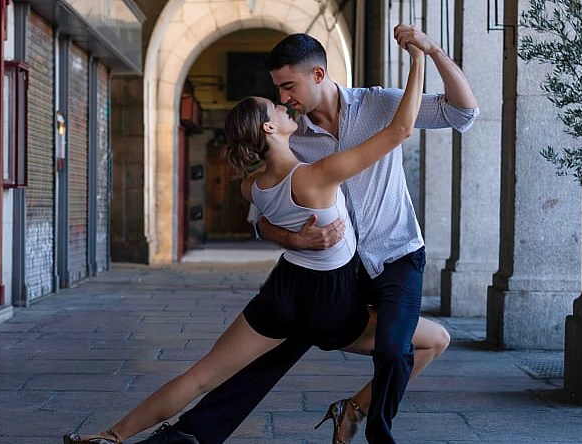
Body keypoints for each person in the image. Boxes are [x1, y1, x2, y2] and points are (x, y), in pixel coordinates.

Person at [63, 40, 433, 444]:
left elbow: (263, 222)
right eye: (275, 107)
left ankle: (111, 435)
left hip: (283, 291)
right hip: (330, 302)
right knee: (433, 341)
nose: (285, 105)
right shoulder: (319, 175)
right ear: (270, 129)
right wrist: (418, 58)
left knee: (202, 375)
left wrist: (293, 238)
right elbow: (400, 129)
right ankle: (360, 411)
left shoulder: (251, 186)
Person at [139, 25, 479, 444]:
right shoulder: (289, 136)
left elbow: (462, 112)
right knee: (272, 350)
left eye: (288, 86)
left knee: (395, 349)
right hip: (333, 271)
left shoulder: (379, 104)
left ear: (318, 74)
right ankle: (192, 434)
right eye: (278, 90)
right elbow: (258, 215)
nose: (284, 98)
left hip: (396, 254)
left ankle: (363, 417)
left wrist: (433, 51)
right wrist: (293, 240)